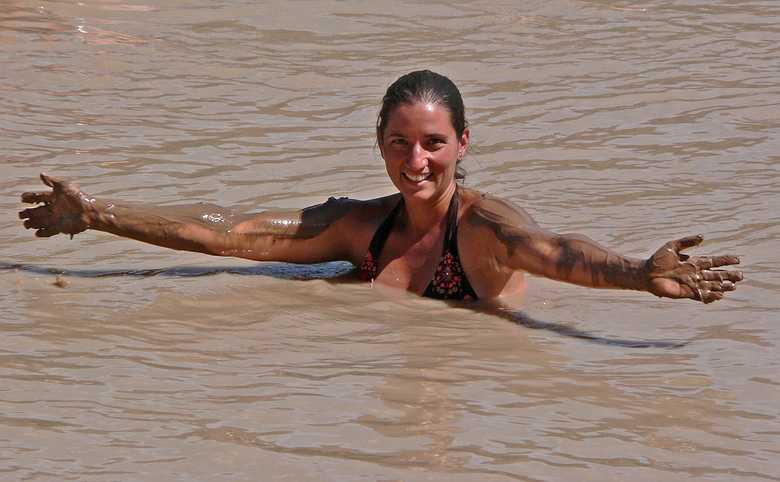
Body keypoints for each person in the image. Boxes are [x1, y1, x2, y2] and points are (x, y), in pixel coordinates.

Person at [19, 70, 743, 303]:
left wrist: (637, 274)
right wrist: (97, 215)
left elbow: (555, 252)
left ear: (463, 143)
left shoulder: (484, 228)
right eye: (400, 144)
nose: (417, 161)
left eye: (434, 143)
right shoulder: (361, 225)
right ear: (380, 146)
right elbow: (227, 232)